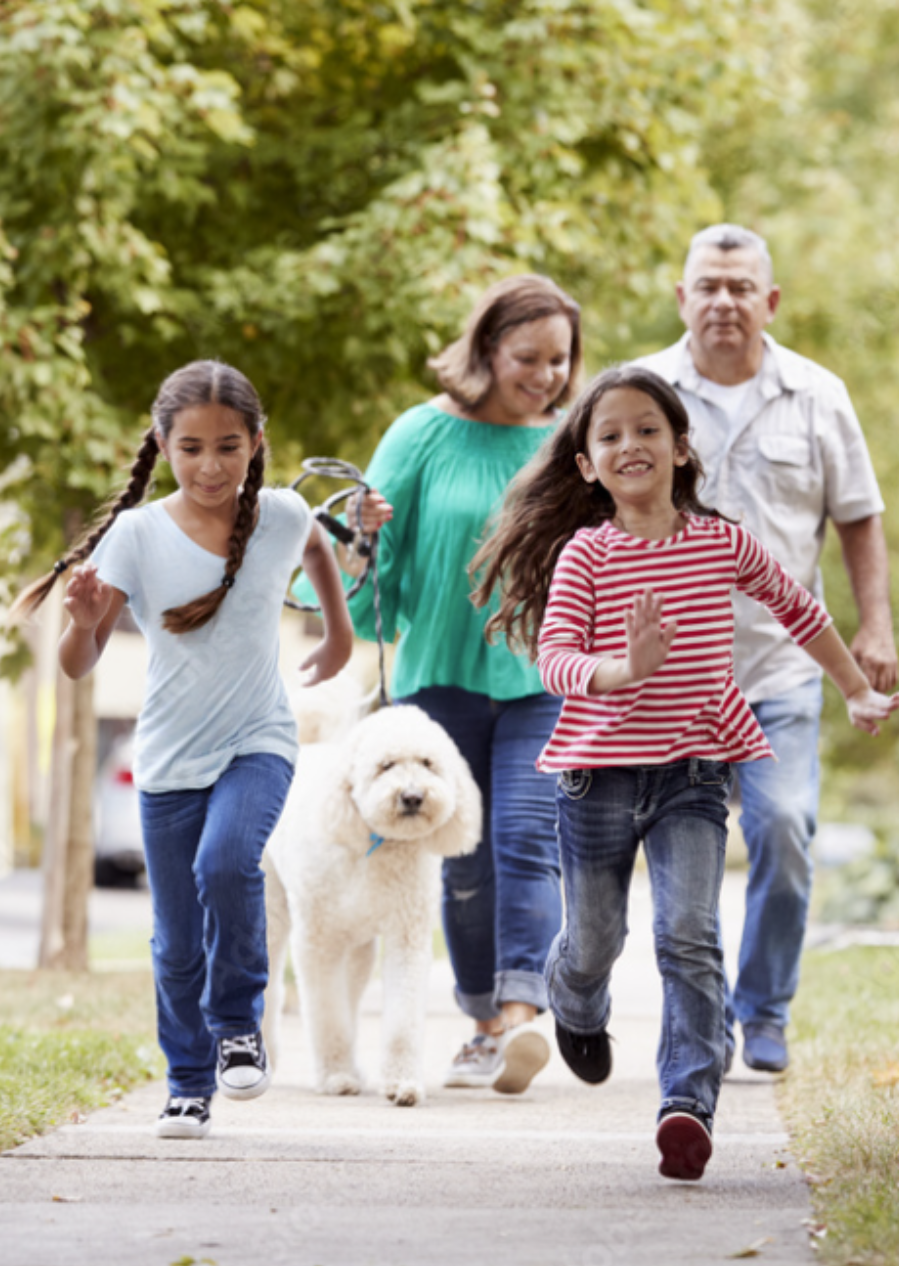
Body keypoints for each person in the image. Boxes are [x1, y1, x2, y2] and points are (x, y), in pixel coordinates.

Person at [470, 364, 899, 1180]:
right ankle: (576, 1003)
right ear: (586, 466)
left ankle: (686, 1104)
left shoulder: (720, 541)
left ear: (679, 447)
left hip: (693, 774)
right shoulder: (585, 555)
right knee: (595, 939)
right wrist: (621, 669)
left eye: (647, 429)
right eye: (609, 436)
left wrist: (853, 689)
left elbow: (799, 607)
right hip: (597, 776)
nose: (630, 444)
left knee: (689, 936)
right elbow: (557, 659)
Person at [10, 360, 353, 1139]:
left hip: (258, 740)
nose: (210, 466)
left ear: (256, 442)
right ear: (162, 444)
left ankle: (239, 1026)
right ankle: (188, 1083)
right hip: (167, 758)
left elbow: (320, 552)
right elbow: (76, 664)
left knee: (225, 865)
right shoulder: (136, 535)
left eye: (228, 447)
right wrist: (84, 620)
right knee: (175, 939)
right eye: (191, 447)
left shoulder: (282, 514)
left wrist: (338, 633)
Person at [634, 224, 899, 1075]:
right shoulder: (643, 396)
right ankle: (701, 1024)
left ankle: (766, 1008)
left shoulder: (819, 395)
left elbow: (858, 514)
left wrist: (875, 626)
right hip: (674, 678)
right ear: (682, 298)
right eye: (707, 285)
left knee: (784, 829)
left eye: (740, 287)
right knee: (682, 862)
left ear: (769, 301)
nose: (723, 301)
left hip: (786, 667)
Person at [335, 274, 585, 1095]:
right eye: (528, 356)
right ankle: (480, 1020)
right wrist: (362, 540)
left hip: (540, 677)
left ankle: (520, 1018)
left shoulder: (568, 447)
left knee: (524, 838)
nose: (547, 375)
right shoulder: (420, 434)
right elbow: (373, 577)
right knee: (465, 860)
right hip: (439, 677)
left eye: (560, 360)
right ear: (485, 350)